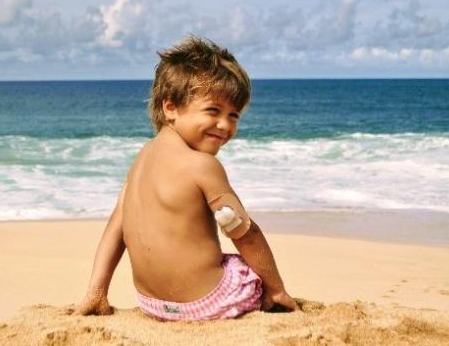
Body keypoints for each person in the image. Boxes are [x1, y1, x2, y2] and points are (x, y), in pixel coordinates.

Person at [75, 36, 299, 321]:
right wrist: (276, 289)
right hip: (206, 302)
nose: (225, 125)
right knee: (248, 270)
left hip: (152, 304)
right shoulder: (203, 165)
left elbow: (114, 230)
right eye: (213, 111)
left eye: (234, 115)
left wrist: (97, 292)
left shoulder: (141, 160)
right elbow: (243, 232)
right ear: (171, 108)